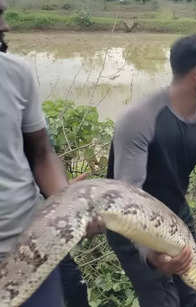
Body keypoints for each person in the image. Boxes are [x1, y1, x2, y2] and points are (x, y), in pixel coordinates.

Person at [105, 34, 196, 307]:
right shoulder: (139, 120)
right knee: (161, 299)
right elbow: (127, 199)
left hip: (175, 219)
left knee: (191, 297)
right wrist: (150, 253)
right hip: (129, 225)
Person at [0, 1, 102, 306]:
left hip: (30, 246)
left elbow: (42, 153)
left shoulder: (16, 74)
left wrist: (68, 205)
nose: (6, 26)